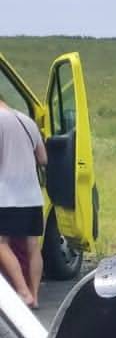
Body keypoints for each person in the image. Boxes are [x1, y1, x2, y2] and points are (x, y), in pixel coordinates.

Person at [0, 98, 48, 307]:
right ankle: (35, 296)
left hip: (6, 195)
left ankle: (22, 291)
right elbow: (43, 158)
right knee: (33, 245)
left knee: (1, 243)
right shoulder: (27, 121)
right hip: (32, 196)